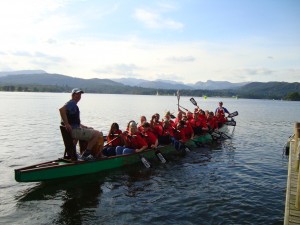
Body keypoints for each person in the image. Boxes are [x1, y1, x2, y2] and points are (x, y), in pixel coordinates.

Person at [59, 88, 103, 160]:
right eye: (77, 94)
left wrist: (84, 126)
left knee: (89, 130)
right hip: (74, 131)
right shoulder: (72, 103)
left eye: (80, 95)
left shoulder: (72, 105)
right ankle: (86, 154)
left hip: (73, 130)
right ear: (73, 95)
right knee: (97, 134)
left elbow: (74, 122)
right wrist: (67, 124)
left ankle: (73, 154)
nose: (79, 96)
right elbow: (61, 110)